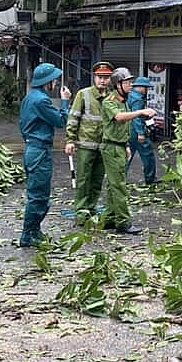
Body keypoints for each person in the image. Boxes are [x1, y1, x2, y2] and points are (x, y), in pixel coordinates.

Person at [18, 63, 71, 247]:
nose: (56, 83)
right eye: (54, 80)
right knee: (39, 196)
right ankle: (27, 235)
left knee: (39, 193)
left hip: (32, 148)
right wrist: (65, 101)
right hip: (39, 151)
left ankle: (35, 231)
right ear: (47, 82)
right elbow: (60, 121)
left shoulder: (30, 97)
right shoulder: (41, 100)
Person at [102, 68, 157, 233]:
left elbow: (124, 125)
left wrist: (126, 145)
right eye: (127, 82)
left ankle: (110, 219)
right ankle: (123, 222)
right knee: (119, 185)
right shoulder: (110, 101)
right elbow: (119, 118)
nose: (130, 85)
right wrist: (141, 112)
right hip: (111, 147)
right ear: (118, 84)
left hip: (119, 145)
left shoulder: (124, 100)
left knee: (114, 186)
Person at [65, 61, 114, 221]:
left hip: (104, 146)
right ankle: (81, 210)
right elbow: (73, 118)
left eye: (106, 78)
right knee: (83, 179)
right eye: (100, 77)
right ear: (94, 77)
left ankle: (91, 208)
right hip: (86, 145)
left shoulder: (112, 96)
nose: (102, 81)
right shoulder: (83, 94)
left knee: (98, 179)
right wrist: (70, 140)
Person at [129, 76, 159, 185]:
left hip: (128, 129)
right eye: (146, 88)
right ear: (141, 87)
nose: (147, 90)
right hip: (136, 131)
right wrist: (141, 133)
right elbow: (137, 117)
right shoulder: (138, 99)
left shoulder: (130, 95)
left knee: (128, 155)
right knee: (148, 154)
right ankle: (150, 178)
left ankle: (119, 179)